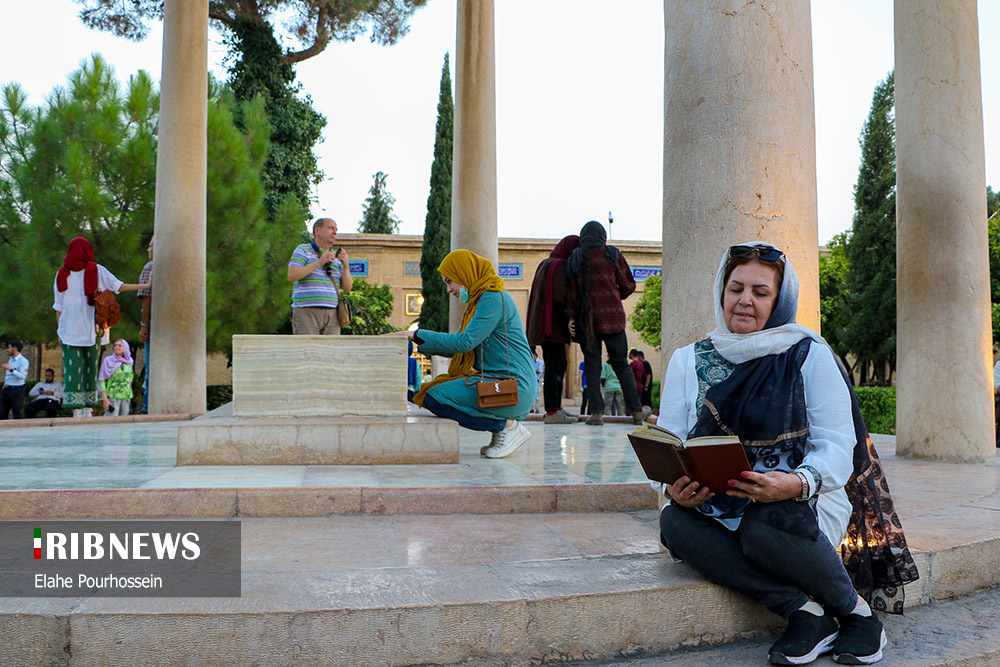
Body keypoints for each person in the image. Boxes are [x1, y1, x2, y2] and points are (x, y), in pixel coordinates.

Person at [656, 243, 918, 665]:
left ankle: (859, 615)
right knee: (674, 522)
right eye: (736, 288)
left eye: (760, 292)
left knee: (763, 525)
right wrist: (673, 484)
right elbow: (670, 439)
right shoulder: (689, 360)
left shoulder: (806, 352)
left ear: (780, 301)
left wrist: (796, 482)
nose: (745, 300)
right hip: (719, 501)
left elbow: (836, 444)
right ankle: (805, 613)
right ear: (721, 292)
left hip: (801, 498)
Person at [386, 250, 535, 459]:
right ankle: (501, 429)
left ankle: (507, 426)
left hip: (514, 387)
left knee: (434, 396)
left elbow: (464, 342)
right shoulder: (481, 300)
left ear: (465, 274)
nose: (449, 289)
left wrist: (415, 335)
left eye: (450, 281)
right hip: (498, 382)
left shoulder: (492, 297)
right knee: (433, 391)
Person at [566, 221, 651, 427]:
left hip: (586, 321)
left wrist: (571, 317)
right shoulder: (612, 254)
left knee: (592, 367)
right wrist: (615, 295)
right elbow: (629, 285)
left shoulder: (575, 257)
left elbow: (572, 293)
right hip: (612, 319)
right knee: (621, 364)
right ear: (602, 235)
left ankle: (596, 414)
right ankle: (637, 412)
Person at [53, 237, 147, 417]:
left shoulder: (62, 274)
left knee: (73, 369)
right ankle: (88, 408)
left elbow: (58, 307)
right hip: (94, 330)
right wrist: (146, 286)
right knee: (91, 368)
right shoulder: (96, 270)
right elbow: (118, 286)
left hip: (70, 330)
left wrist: (59, 330)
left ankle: (77, 410)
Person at [525, 235, 580, 424]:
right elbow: (560, 297)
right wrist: (573, 311)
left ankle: (556, 408)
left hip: (547, 327)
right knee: (555, 369)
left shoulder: (545, 264)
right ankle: (551, 412)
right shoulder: (559, 266)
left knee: (559, 366)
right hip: (552, 328)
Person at [287, 217, 352, 335]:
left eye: (336, 229)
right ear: (317, 231)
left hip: (333, 313)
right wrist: (319, 262)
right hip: (307, 311)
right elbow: (292, 275)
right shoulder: (303, 250)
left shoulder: (336, 259)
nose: (335, 232)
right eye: (330, 228)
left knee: (330, 352)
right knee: (308, 351)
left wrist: (346, 265)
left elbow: (347, 287)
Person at [99, 339, 135, 416]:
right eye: (115, 345)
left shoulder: (129, 361)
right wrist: (105, 399)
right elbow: (102, 380)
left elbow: (131, 376)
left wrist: (129, 384)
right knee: (111, 420)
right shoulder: (108, 361)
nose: (117, 347)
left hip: (126, 396)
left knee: (124, 421)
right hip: (112, 396)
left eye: (120, 345)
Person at [137, 238, 153, 414]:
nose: (148, 249)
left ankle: (147, 407)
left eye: (151, 246)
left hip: (154, 322)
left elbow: (146, 298)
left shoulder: (150, 267)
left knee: (151, 366)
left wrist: (144, 324)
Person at [1, 339, 29, 419]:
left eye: (9, 348)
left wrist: (11, 369)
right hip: (7, 388)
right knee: (2, 411)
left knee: (16, 411)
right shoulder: (11, 360)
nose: (8, 350)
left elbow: (23, 376)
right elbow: (9, 375)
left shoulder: (23, 361)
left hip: (17, 389)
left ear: (15, 348)